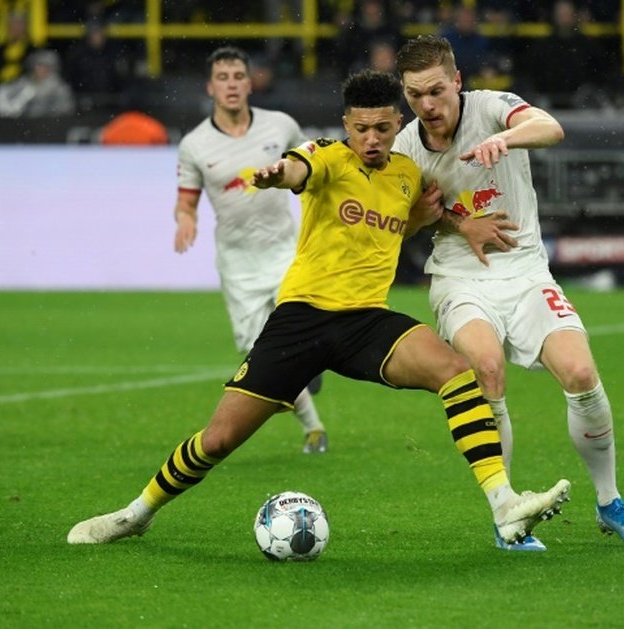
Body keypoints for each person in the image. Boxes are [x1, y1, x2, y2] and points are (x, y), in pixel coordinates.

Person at [67, 69, 570, 547]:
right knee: (218, 441)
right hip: (301, 320)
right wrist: (276, 174)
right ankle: (135, 514)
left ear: (398, 124)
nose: (370, 138)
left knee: (457, 370)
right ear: (346, 126)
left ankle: (504, 504)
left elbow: (426, 216)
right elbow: (296, 168)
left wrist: (464, 226)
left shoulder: (407, 175)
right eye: (360, 128)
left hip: (367, 321)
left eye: (381, 128)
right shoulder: (328, 156)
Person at [393, 36, 624, 551]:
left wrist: (506, 141)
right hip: (459, 278)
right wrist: (449, 221)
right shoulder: (406, 148)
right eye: (415, 94)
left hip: (527, 271)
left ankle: (609, 502)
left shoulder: (492, 108)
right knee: (486, 368)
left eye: (436, 91)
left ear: (457, 82)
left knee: (581, 374)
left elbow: (551, 128)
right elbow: (398, 226)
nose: (427, 105)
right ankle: (507, 515)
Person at [173, 46, 327, 453]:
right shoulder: (195, 145)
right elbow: (186, 199)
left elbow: (314, 162)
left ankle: (312, 363)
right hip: (237, 261)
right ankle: (314, 427)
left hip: (283, 251)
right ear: (210, 87)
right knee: (261, 354)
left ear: (249, 82)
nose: (231, 84)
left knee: (297, 329)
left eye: (238, 76)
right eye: (222, 77)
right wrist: (185, 219)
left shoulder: (280, 126)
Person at [0, 49, 75, 118]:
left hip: (49, 129)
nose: (40, 69)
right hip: (20, 128)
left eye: (44, 66)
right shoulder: (23, 83)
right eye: (37, 66)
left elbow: (65, 109)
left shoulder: (59, 88)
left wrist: (41, 111)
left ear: (51, 68)